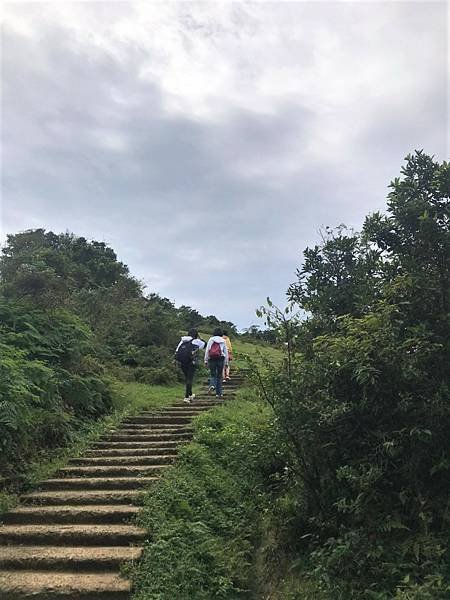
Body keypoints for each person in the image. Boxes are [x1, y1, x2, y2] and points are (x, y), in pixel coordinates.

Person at [175, 328, 206, 404]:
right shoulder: (196, 341)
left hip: (182, 362)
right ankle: (186, 397)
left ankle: (190, 395)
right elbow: (205, 345)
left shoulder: (182, 341)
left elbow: (176, 351)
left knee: (187, 379)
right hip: (191, 362)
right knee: (189, 379)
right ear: (196, 334)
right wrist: (201, 338)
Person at [204, 327, 228, 398]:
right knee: (219, 375)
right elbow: (225, 352)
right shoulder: (223, 340)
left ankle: (212, 385)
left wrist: (205, 360)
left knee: (213, 374)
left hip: (212, 358)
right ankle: (219, 393)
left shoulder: (211, 339)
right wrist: (226, 363)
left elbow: (207, 350)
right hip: (220, 358)